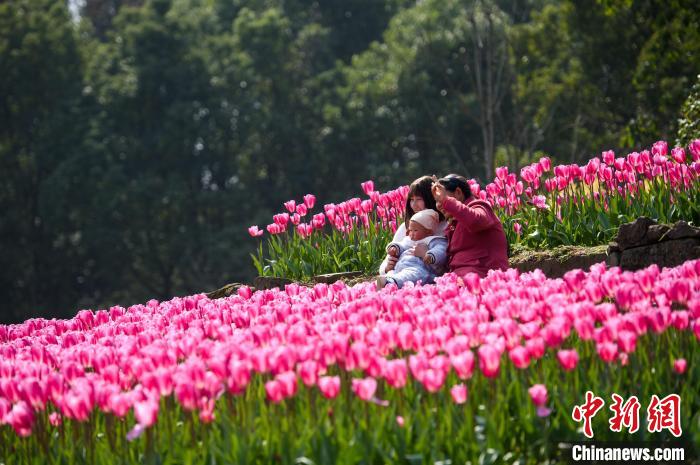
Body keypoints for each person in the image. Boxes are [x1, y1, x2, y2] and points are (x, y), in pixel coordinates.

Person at [431, 174, 508, 278]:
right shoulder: (454, 222)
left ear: (458, 192)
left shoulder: (480, 206)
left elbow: (476, 221)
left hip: (481, 277)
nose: (439, 205)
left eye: (441, 198)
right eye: (437, 200)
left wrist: (447, 201)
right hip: (459, 278)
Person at [379, 176, 448, 275]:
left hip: (428, 277)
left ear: (432, 199)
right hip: (400, 273)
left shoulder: (446, 226)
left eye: (419, 199)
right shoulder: (406, 227)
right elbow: (386, 261)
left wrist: (425, 255)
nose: (414, 205)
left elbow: (447, 263)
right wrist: (387, 267)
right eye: (411, 199)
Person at [376, 209, 447, 289]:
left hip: (420, 267)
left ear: (428, 232)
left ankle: (390, 283)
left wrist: (429, 255)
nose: (411, 233)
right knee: (392, 273)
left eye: (415, 230)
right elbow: (402, 245)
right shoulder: (409, 240)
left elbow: (441, 250)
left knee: (412, 275)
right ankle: (385, 281)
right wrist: (395, 248)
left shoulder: (433, 240)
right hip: (400, 266)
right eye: (410, 230)